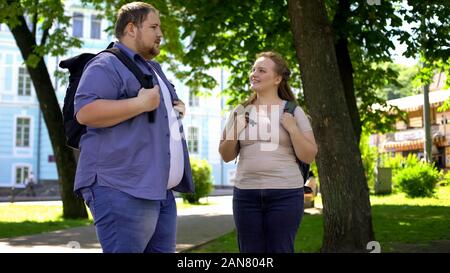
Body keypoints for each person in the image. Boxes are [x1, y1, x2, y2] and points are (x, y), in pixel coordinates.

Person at [73, 2, 194, 253]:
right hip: (122, 188)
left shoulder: (152, 68)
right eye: (153, 26)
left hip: (158, 190)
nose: (160, 34)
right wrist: (139, 104)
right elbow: (86, 112)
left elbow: (156, 109)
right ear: (131, 29)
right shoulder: (106, 64)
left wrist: (174, 110)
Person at [219, 52, 318, 253]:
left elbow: (309, 155)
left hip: (285, 194)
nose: (254, 74)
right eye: (253, 69)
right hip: (246, 195)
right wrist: (234, 131)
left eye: (261, 70)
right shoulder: (240, 111)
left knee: (281, 249)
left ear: (277, 79)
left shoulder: (293, 111)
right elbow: (226, 154)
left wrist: (293, 129)